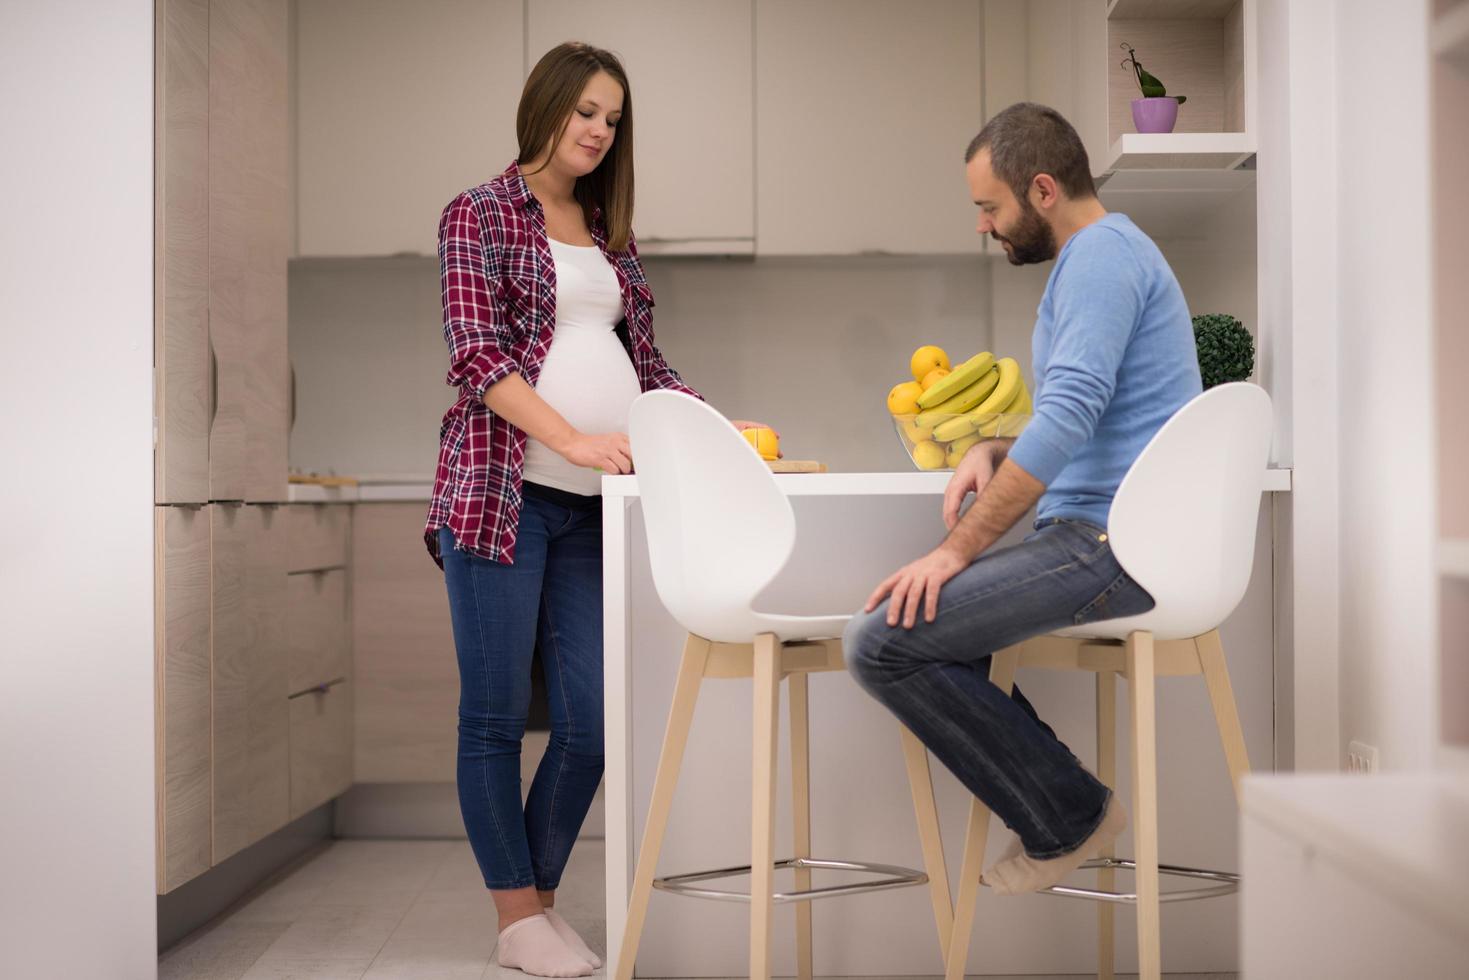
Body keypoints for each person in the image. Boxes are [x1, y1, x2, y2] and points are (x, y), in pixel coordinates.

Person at [424, 41, 771, 978]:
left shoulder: (604, 229)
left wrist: (709, 424)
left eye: (611, 118)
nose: (597, 130)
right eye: (584, 110)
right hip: (501, 496)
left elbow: (646, 369)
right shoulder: (480, 214)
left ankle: (528, 912)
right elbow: (476, 355)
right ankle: (520, 915)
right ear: (543, 108)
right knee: (494, 716)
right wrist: (571, 436)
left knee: (592, 721)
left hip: (595, 508)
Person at [844, 101, 1203, 896]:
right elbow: (1091, 414)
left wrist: (955, 548)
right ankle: (1064, 808)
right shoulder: (1102, 257)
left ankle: (1069, 816)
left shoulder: (1101, 257)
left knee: (880, 642)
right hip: (1106, 533)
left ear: (1041, 190)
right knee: (914, 638)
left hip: (1112, 543)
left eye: (989, 207)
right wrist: (996, 447)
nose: (983, 225)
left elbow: (1072, 410)